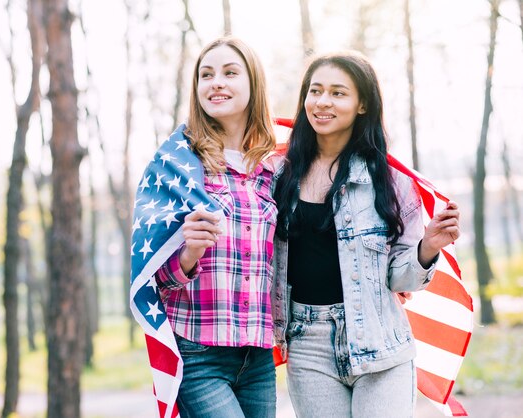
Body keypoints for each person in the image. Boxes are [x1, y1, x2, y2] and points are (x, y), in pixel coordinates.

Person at [272, 51, 460, 418]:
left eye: (338, 93)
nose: (322, 102)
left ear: (362, 104)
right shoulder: (279, 174)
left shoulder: (389, 180)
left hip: (379, 341)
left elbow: (400, 277)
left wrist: (428, 246)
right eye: (315, 91)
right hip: (307, 345)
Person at [152, 37, 278, 418]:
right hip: (198, 351)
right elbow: (150, 276)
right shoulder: (177, 165)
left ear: (253, 83)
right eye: (206, 75)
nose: (216, 82)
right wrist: (188, 253)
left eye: (229, 72)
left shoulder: (273, 170)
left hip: (257, 357)